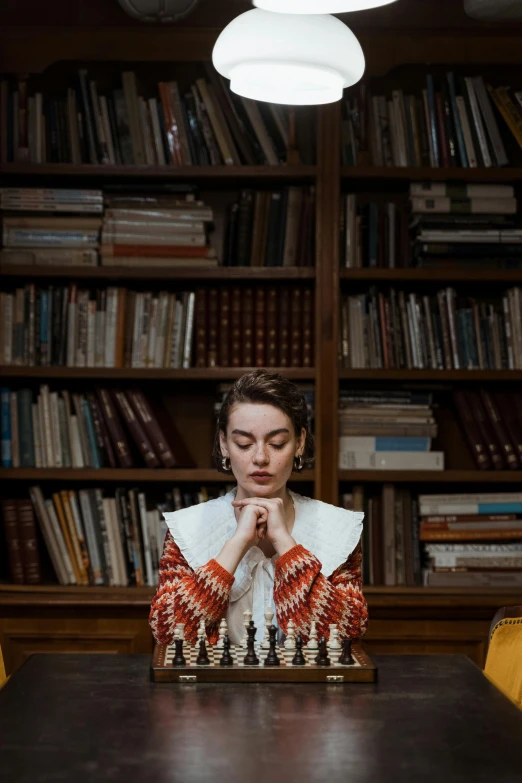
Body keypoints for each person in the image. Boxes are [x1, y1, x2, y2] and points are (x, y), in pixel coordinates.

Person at [149, 368, 368, 647]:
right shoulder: (187, 528)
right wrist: (236, 544)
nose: (261, 458)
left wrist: (286, 546)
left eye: (277, 443)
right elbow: (169, 633)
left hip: (308, 690)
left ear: (299, 443)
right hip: (213, 690)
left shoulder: (339, 528)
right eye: (244, 443)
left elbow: (347, 633)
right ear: (224, 444)